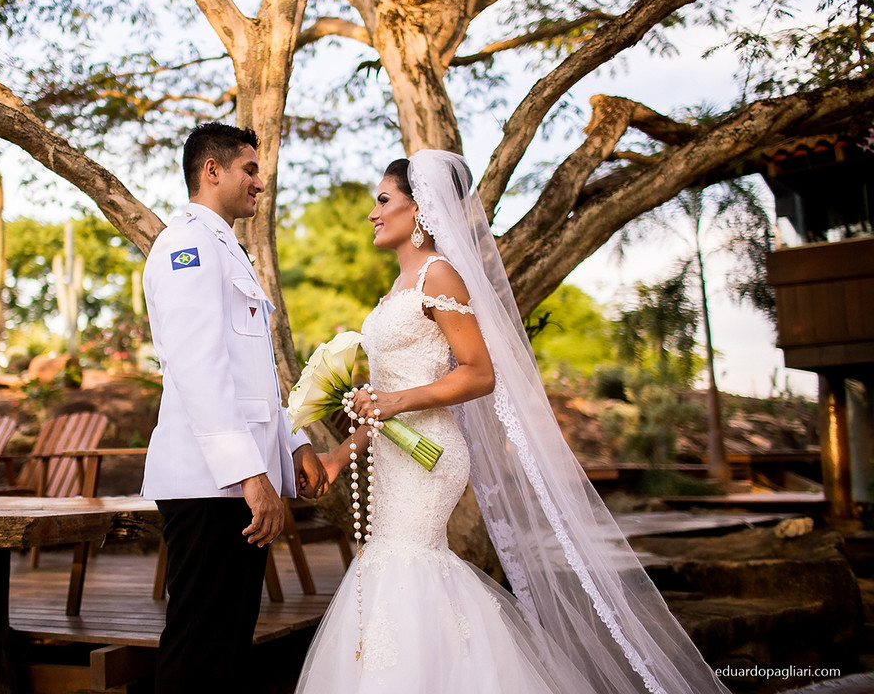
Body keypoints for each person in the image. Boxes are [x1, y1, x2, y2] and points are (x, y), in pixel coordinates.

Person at [296, 150, 728, 694]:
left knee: (405, 561)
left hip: (429, 453)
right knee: (392, 561)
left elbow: (480, 374)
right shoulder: (394, 291)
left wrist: (399, 400)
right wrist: (339, 455)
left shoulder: (441, 275)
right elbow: (386, 402)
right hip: (391, 452)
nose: (373, 213)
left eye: (383, 201)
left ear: (420, 208)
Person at [142, 122, 328, 694]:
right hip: (209, 486)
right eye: (250, 168)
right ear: (212, 171)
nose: (260, 180)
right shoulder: (187, 246)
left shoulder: (226, 247)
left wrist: (293, 444)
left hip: (230, 483)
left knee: (222, 650)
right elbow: (200, 369)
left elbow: (250, 370)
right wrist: (252, 475)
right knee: (199, 652)